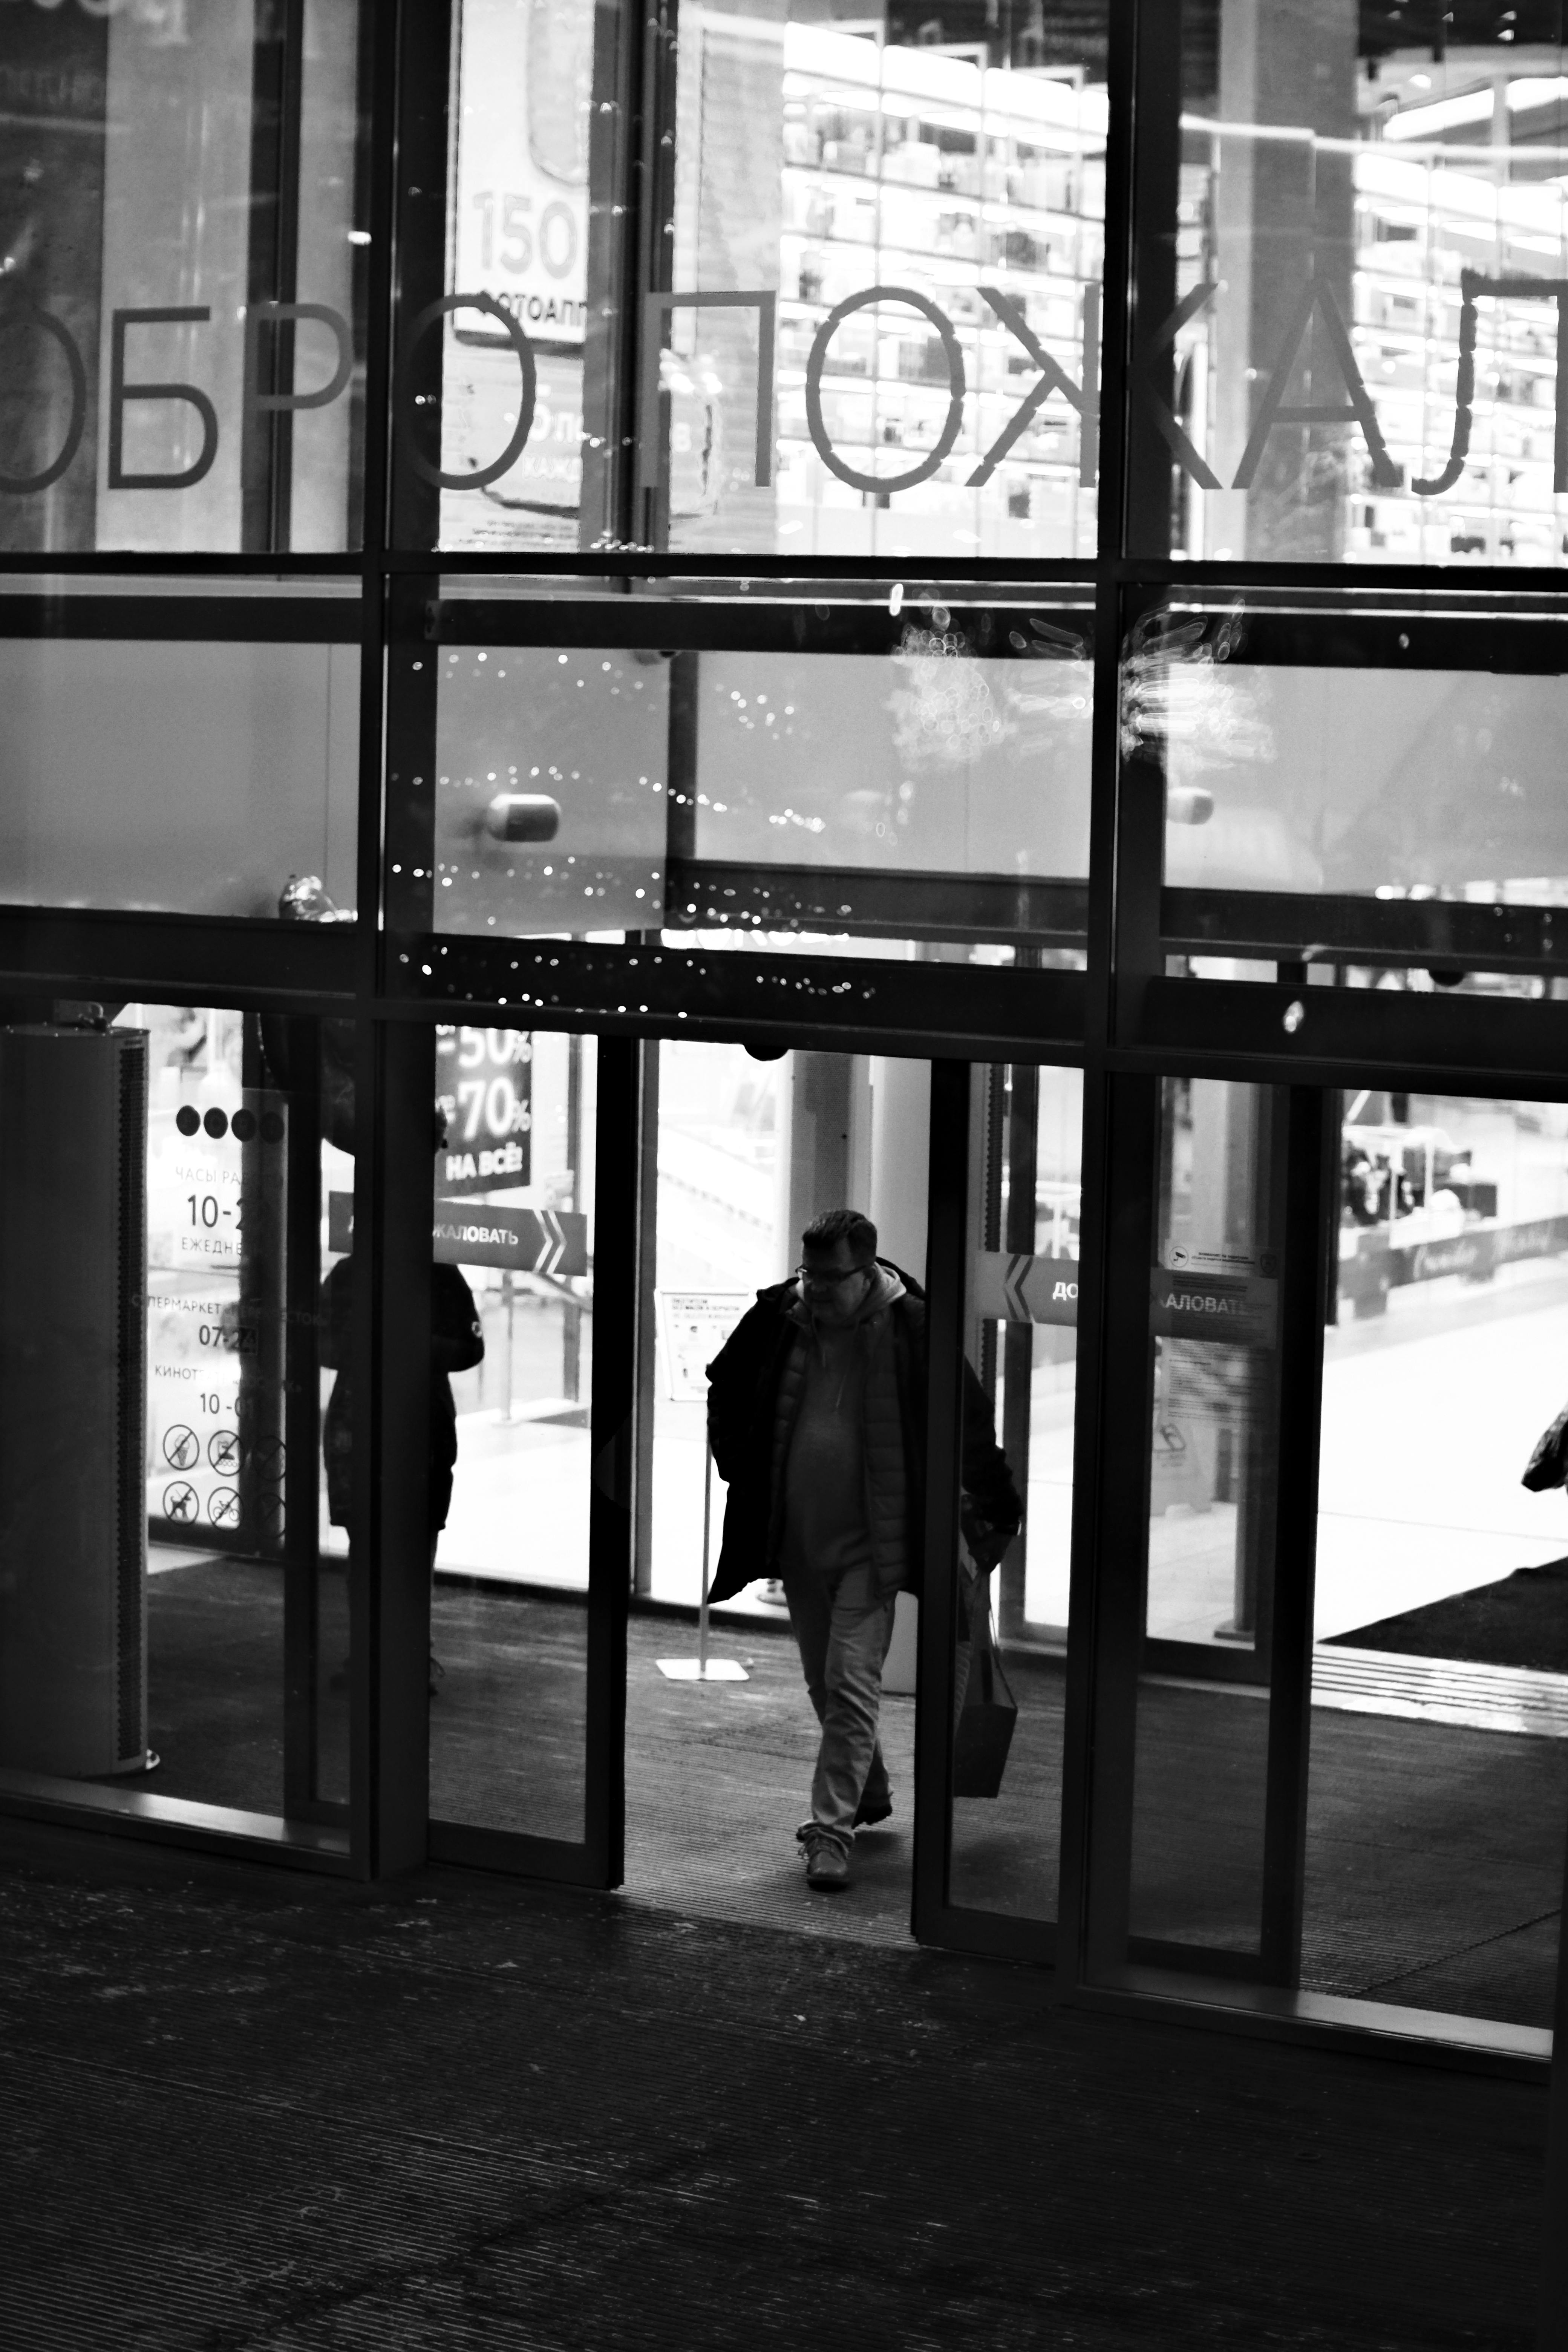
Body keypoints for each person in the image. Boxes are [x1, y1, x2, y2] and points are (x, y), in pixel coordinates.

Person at [705, 1208, 1020, 1892]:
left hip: (874, 1548)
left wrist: (1001, 1507)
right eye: (808, 1274)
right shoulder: (779, 1316)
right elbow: (723, 1382)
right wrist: (737, 1464)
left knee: (851, 1680)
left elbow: (969, 1426)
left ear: (868, 1271)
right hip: (796, 1540)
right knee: (825, 1682)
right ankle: (867, 1786)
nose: (814, 1289)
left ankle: (830, 1833)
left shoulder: (915, 1331)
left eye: (829, 1278)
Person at [320, 1251, 484, 1695]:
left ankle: (405, 1659)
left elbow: (470, 1348)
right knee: (367, 1548)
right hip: (367, 1423)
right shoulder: (353, 1273)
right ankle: (370, 1658)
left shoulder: (439, 1276)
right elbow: (319, 1342)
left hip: (415, 1423)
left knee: (409, 1545)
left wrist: (405, 1345)